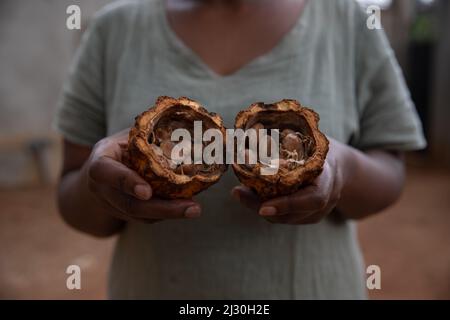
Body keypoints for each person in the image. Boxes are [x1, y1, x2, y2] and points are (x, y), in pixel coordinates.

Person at [54, 0, 426, 299]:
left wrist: (344, 169)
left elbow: (391, 170)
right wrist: (98, 185)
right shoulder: (113, 29)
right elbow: (72, 190)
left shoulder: (351, 22)